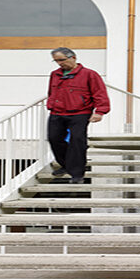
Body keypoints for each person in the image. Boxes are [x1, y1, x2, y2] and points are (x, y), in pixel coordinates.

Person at [46, 47, 110, 183]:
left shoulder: (89, 74)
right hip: (57, 112)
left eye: (62, 60)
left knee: (77, 141)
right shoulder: (55, 74)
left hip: (80, 113)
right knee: (54, 139)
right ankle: (65, 165)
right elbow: (51, 92)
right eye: (56, 61)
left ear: (73, 58)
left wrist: (100, 111)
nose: (59, 63)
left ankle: (77, 174)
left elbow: (100, 93)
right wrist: (51, 103)